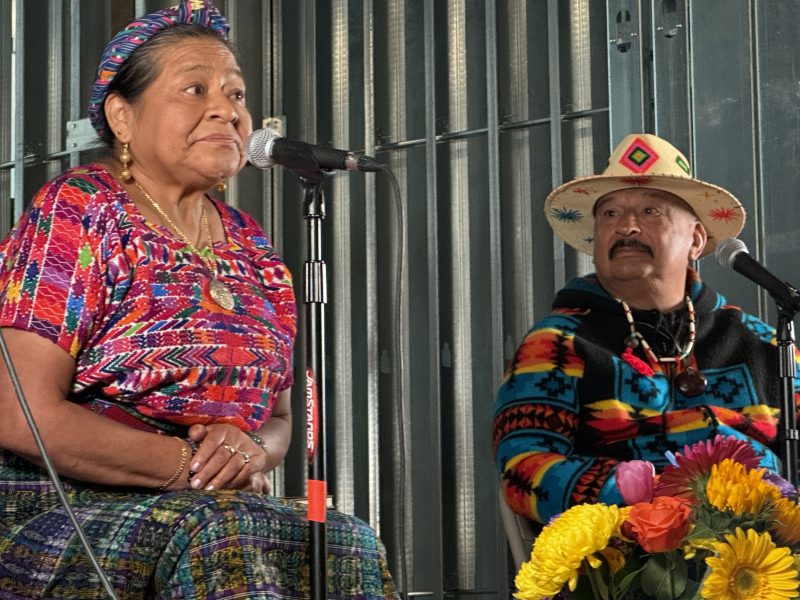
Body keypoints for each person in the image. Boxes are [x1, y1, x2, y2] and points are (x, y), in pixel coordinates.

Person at [0, 2, 397, 598]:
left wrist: (250, 453)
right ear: (122, 117)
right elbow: (18, 415)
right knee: (226, 532)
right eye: (195, 88)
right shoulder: (81, 211)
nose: (227, 110)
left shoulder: (251, 246)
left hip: (208, 504)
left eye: (236, 94)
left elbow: (281, 420)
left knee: (347, 541)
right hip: (59, 505)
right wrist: (191, 466)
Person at [493, 132, 800, 525]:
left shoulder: (763, 342)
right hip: (623, 562)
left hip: (763, 551)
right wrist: (639, 494)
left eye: (651, 211)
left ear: (696, 239)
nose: (627, 227)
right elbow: (523, 469)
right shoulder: (556, 343)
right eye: (610, 214)